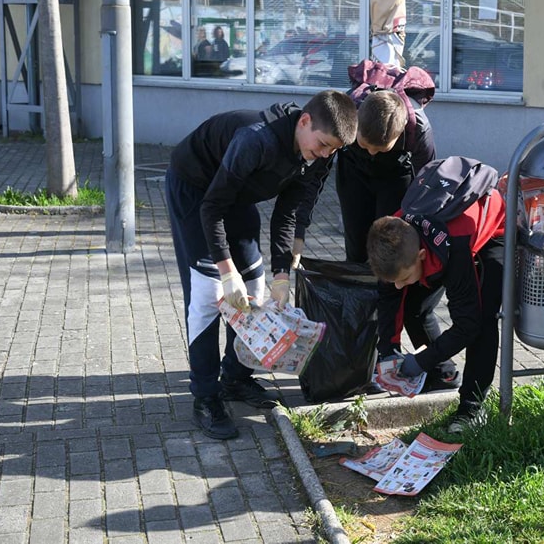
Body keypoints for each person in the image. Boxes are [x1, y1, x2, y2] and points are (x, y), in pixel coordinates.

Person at [165, 90, 357, 440]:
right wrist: (226, 271)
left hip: (236, 193)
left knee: (255, 283)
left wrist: (282, 273)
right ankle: (206, 396)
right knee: (209, 294)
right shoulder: (256, 140)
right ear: (304, 121)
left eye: (333, 150)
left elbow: (287, 214)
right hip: (196, 190)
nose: (326, 155)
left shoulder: (319, 153)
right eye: (323, 144)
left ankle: (236, 378)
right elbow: (211, 208)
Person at [334, 91, 458, 391]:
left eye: (381, 148)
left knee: (392, 263)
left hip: (398, 179)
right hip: (353, 174)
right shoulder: (349, 114)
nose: (374, 153)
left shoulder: (419, 133)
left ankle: (411, 359)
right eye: (366, 145)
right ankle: (366, 360)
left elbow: (428, 193)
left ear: (400, 134)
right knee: (360, 260)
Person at [365, 181, 506, 433]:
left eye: (405, 278)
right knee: (413, 307)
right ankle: (443, 374)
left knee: (484, 318)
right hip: (438, 242)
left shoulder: (456, 251)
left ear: (420, 256)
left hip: (492, 232)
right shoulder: (394, 239)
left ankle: (471, 409)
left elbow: (467, 325)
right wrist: (388, 349)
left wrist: (420, 360)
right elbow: (389, 297)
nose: (399, 286)